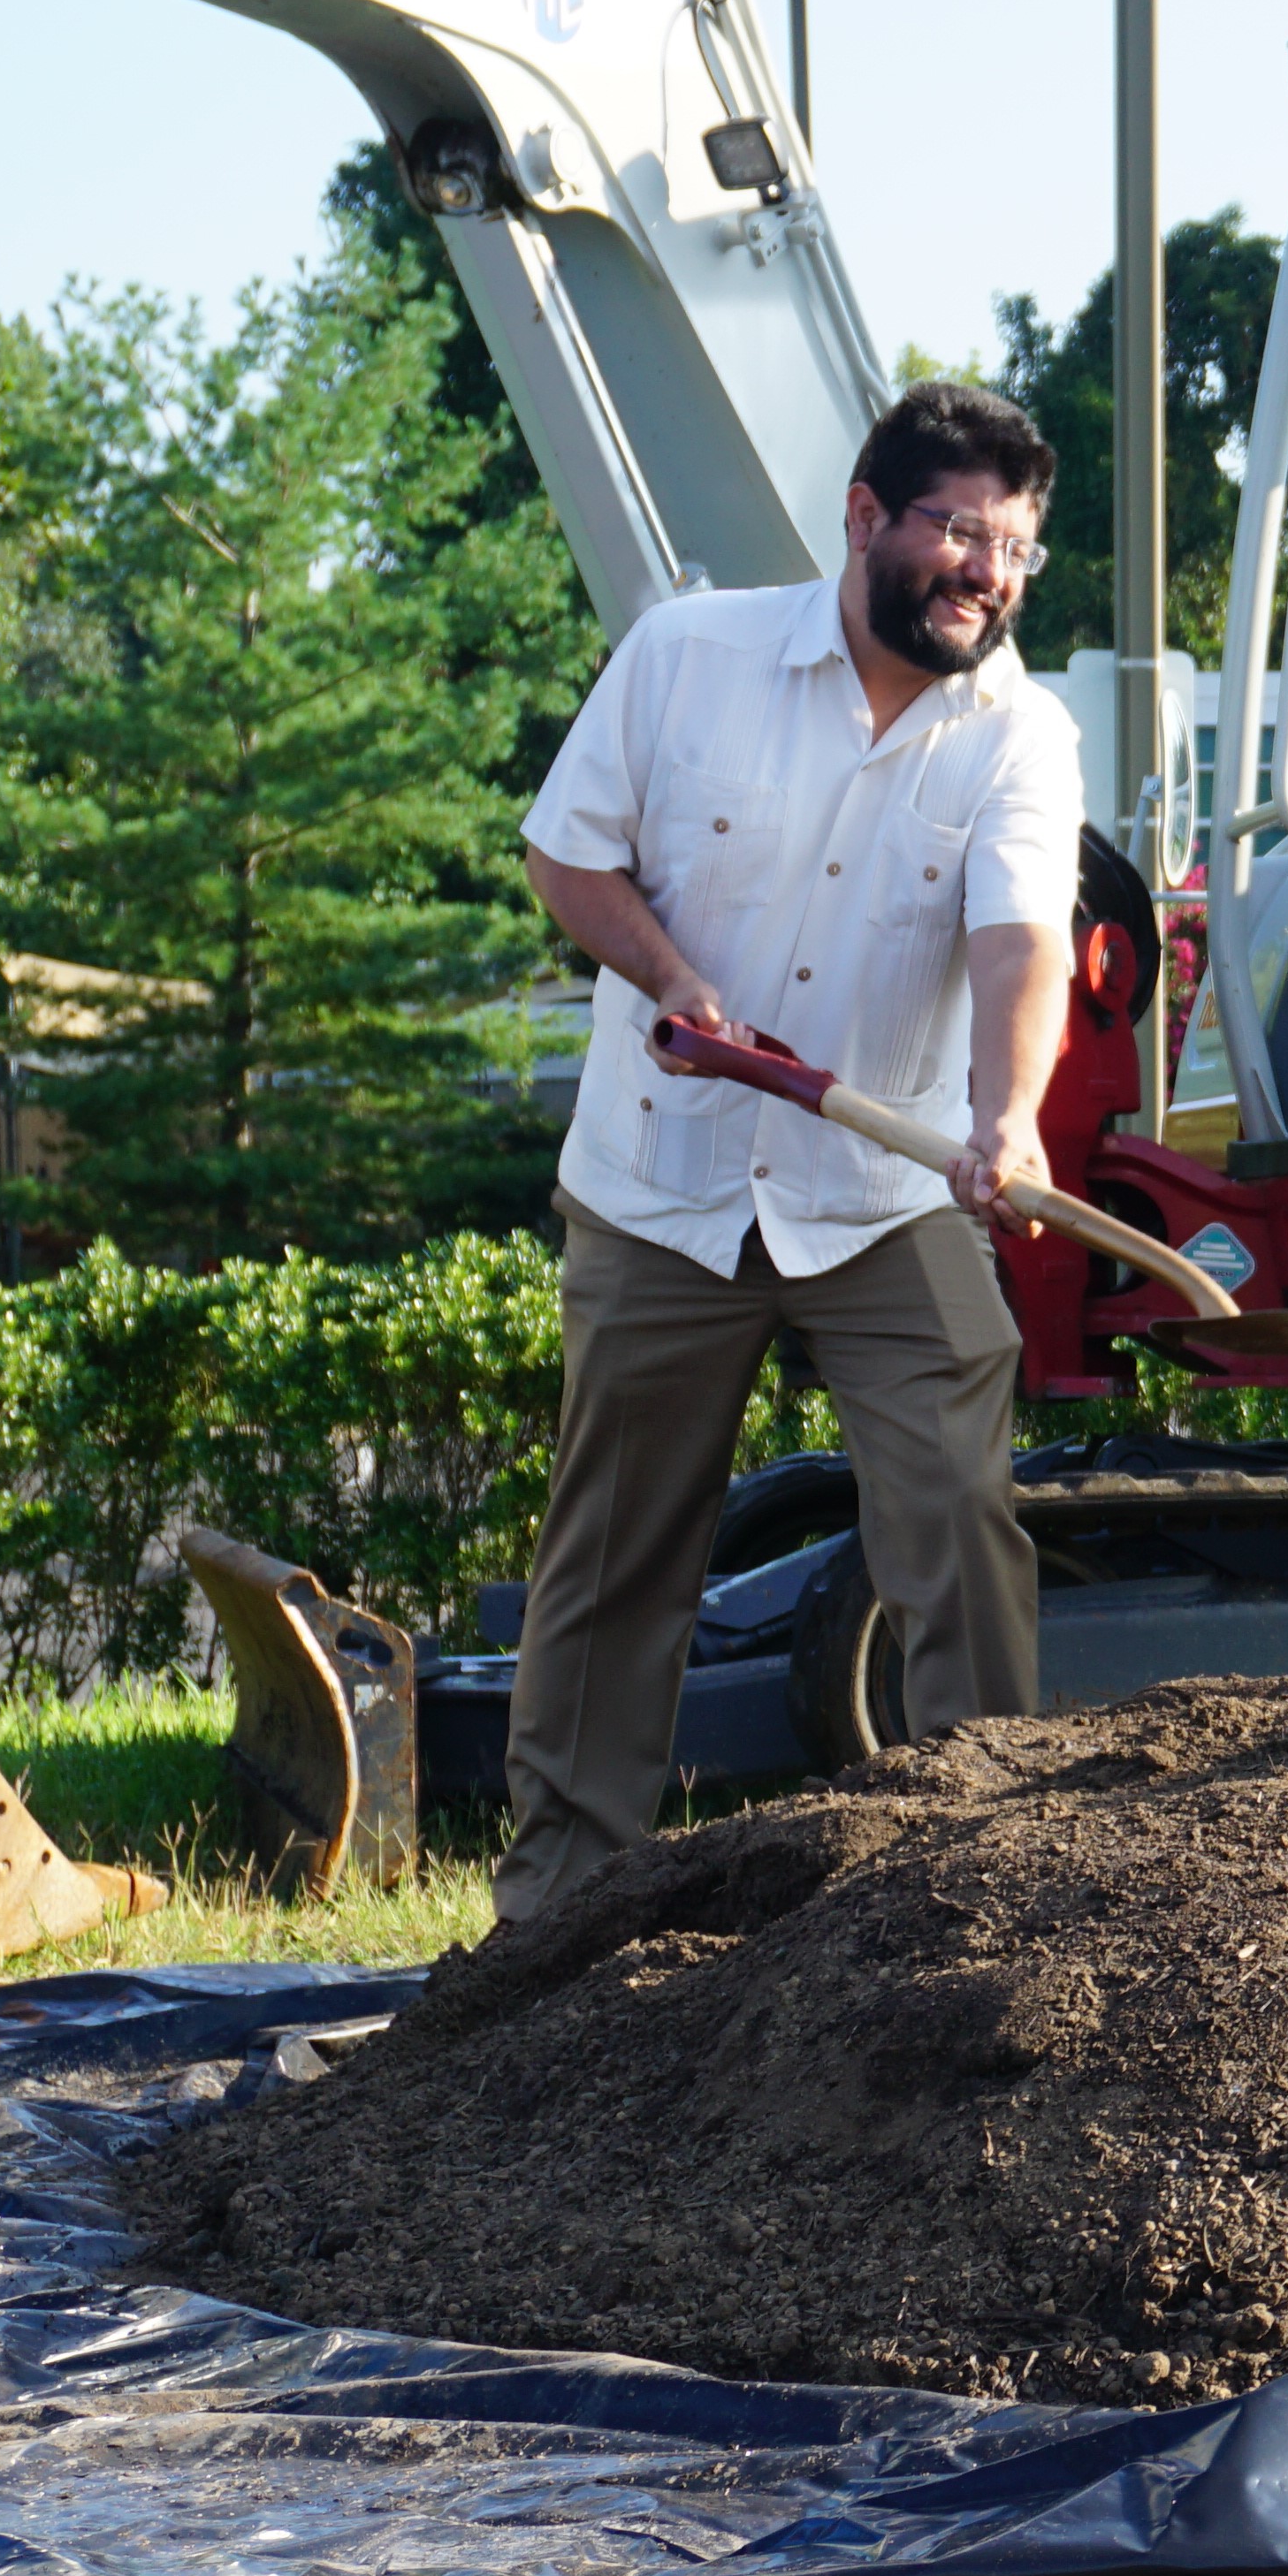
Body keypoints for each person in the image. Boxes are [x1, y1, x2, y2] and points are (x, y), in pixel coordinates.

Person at [500, 381, 1084, 1918]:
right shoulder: (688, 655)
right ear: (865, 516)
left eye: (1016, 548)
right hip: (664, 1182)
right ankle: (558, 1910)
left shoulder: (1022, 733)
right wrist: (669, 978)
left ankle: (984, 1890)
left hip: (884, 1194)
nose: (988, 573)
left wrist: (1006, 1116)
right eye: (960, 531)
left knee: (959, 1515)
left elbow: (1027, 946)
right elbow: (569, 852)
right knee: (617, 1555)